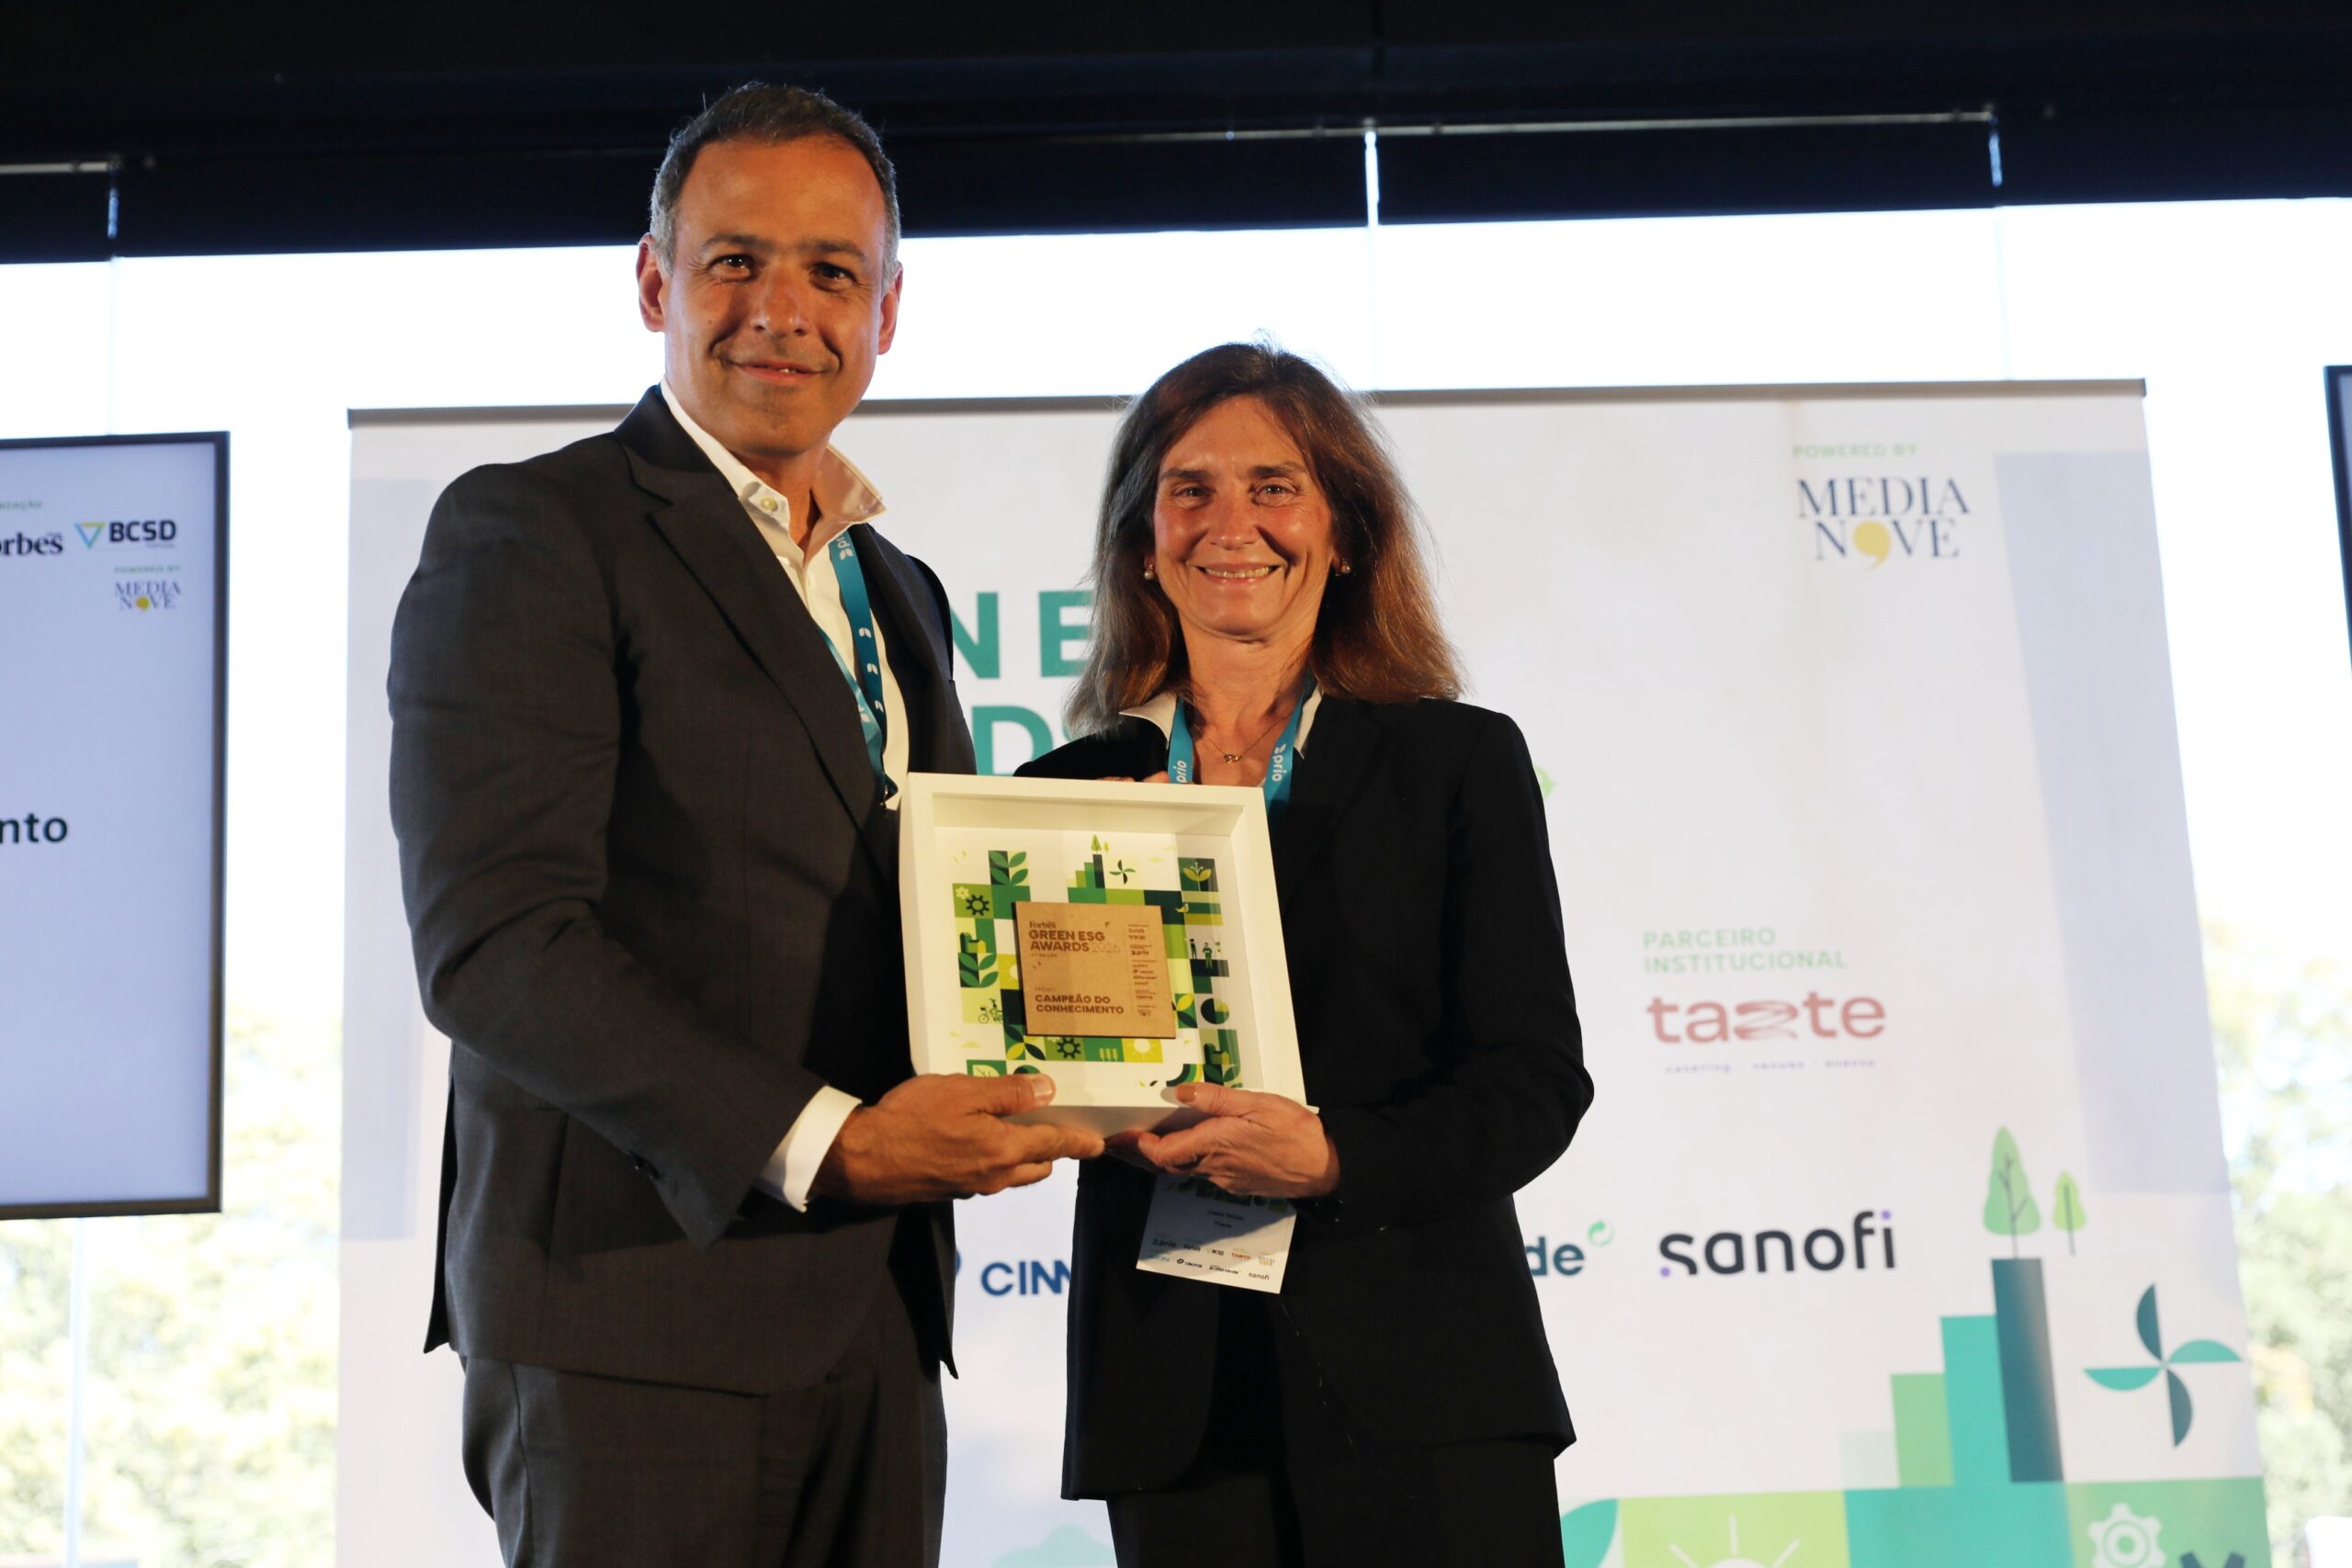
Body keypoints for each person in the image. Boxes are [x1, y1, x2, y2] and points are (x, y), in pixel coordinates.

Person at [388, 83, 1101, 1568]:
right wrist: (828, 1142)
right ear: (656, 282)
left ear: (886, 310)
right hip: (631, 1318)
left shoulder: (897, 590)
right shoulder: (534, 530)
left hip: (878, 1315)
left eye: (832, 271)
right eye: (735, 262)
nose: (782, 310)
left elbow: (892, 895)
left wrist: (1101, 870)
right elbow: (497, 944)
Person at [1018, 342, 1594, 1568]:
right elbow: (1039, 1066)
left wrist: (1332, 1156)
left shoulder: (1458, 764)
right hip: (1174, 1400)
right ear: (1142, 542)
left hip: (1428, 1388)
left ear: (1344, 534)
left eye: (1275, 486)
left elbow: (1534, 1082)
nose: (1232, 524)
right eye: (1190, 489)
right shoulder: (1059, 795)